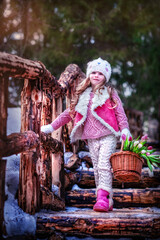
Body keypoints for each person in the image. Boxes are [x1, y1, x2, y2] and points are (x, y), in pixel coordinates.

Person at [41, 57, 131, 212]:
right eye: (93, 72)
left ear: (106, 77)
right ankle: (106, 200)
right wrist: (51, 126)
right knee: (96, 168)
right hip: (91, 138)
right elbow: (67, 114)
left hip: (108, 135)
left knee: (103, 165)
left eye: (100, 73)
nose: (96, 75)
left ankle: (102, 198)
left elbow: (120, 113)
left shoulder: (109, 92)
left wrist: (124, 129)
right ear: (89, 75)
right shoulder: (82, 95)